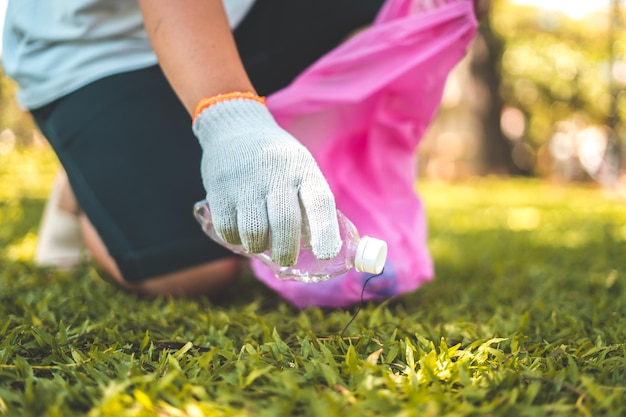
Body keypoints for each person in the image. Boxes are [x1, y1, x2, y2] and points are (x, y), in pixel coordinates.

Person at [2, 0, 389, 297]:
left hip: (238, 22)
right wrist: (231, 116)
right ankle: (84, 185)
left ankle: (123, 162)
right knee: (192, 272)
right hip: (92, 48)